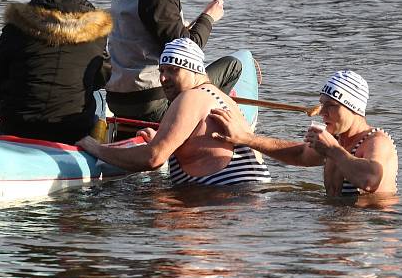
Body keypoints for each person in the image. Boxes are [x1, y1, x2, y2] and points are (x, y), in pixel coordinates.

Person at [77, 38, 270, 186]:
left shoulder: (190, 97)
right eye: (161, 71)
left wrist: (97, 149)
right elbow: (202, 147)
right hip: (244, 202)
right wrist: (164, 140)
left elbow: (153, 158)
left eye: (173, 70)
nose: (163, 78)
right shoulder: (220, 97)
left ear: (194, 70)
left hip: (226, 200)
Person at [105, 0, 242, 123]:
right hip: (151, 100)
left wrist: (182, 26)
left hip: (116, 99)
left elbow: (144, 33)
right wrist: (208, 18)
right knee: (233, 65)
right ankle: (201, 126)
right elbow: (187, 51)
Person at [0, 0, 112, 144]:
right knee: (98, 94)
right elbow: (103, 78)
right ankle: (98, 146)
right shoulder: (94, 31)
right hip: (72, 132)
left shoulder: (14, 29)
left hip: (18, 130)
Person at [210, 70, 398, 197]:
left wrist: (332, 149)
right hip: (339, 227)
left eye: (331, 106)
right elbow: (299, 154)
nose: (322, 112)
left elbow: (371, 180)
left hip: (369, 235)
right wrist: (246, 138)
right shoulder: (338, 140)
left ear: (354, 109)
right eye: (322, 104)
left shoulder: (376, 141)